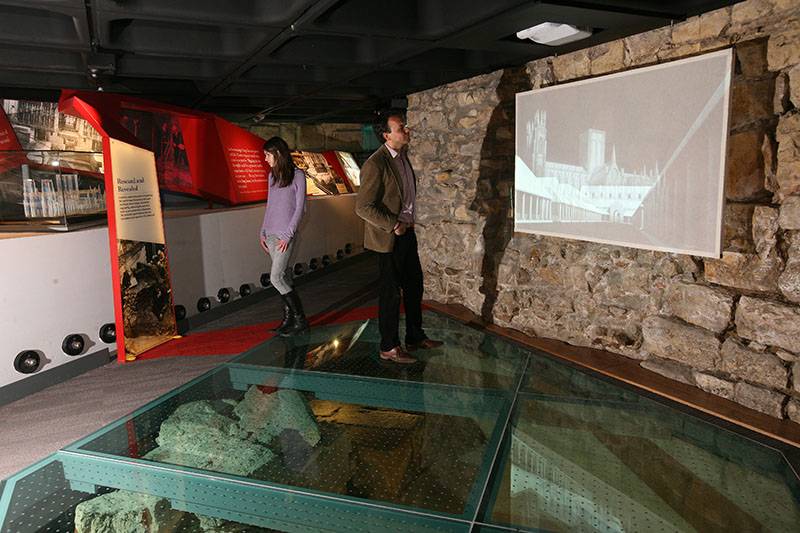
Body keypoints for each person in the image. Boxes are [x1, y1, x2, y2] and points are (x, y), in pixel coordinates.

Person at [356, 111, 442, 364]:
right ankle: (388, 346)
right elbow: (363, 207)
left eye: (404, 126)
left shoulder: (403, 158)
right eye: (400, 128)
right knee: (391, 294)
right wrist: (393, 225)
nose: (406, 130)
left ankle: (415, 336)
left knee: (414, 286)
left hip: (407, 233)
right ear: (386, 135)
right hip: (389, 239)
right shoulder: (376, 163)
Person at [260, 136, 308, 336]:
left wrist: (288, 235)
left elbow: (300, 209)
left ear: (278, 154)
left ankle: (300, 319)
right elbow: (270, 205)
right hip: (270, 234)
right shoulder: (272, 177)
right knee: (285, 277)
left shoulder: (298, 176)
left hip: (283, 237)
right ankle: (288, 320)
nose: (265, 159)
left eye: (267, 155)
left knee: (276, 278)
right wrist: (262, 230)